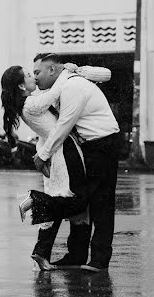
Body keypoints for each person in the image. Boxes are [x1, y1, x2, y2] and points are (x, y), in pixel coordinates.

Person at [32, 53, 120, 273]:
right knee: (83, 203)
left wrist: (42, 155)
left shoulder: (73, 87)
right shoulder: (62, 87)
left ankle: (99, 260)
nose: (35, 78)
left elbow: (64, 125)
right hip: (88, 147)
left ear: (52, 70)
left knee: (101, 202)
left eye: (37, 72)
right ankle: (76, 254)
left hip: (102, 145)